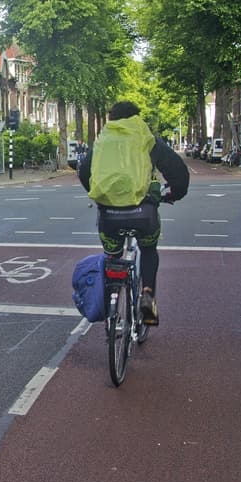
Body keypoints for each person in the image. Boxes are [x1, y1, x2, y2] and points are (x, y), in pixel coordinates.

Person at [77, 101, 189, 326]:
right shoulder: (147, 139)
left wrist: (99, 194)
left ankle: (110, 300)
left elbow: (84, 172)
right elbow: (177, 170)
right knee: (148, 250)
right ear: (136, 117)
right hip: (143, 213)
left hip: (108, 216)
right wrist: (174, 193)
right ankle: (147, 297)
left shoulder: (102, 141)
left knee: (112, 256)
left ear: (112, 118)